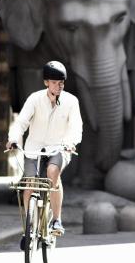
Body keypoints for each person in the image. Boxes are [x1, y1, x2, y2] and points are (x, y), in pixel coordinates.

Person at [6, 61, 83, 238]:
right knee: (30, 183)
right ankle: (29, 226)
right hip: (34, 147)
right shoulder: (35, 99)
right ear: (46, 82)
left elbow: (76, 127)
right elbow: (21, 122)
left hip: (59, 147)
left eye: (62, 82)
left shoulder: (71, 101)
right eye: (55, 82)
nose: (59, 86)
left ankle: (56, 219)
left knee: (52, 171)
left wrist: (71, 142)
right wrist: (12, 139)